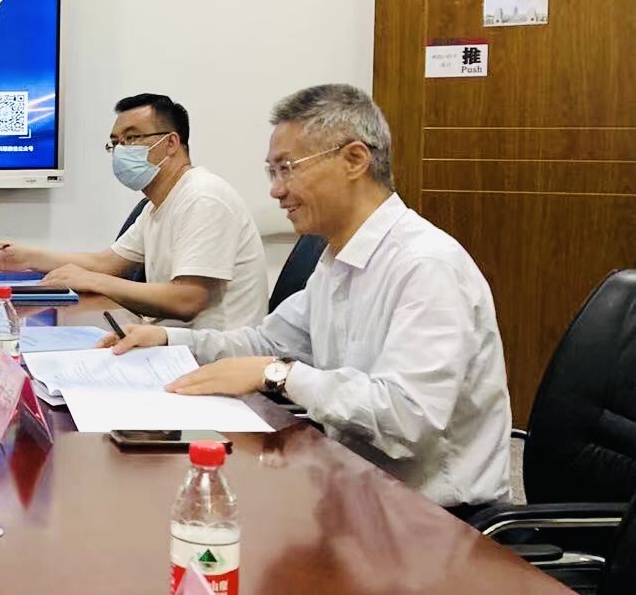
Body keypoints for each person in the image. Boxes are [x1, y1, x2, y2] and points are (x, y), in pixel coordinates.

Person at [103, 84, 511, 512]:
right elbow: (265, 343)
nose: (276, 191)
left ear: (354, 160)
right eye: (272, 172)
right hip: (354, 488)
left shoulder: (425, 265)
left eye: (287, 169)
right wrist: (168, 340)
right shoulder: (337, 260)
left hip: (435, 518)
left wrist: (279, 375)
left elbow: (408, 417)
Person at [0, 93, 268, 329]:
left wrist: (92, 280)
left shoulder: (203, 198)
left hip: (216, 360)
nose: (121, 150)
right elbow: (107, 263)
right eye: (116, 142)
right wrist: (27, 257)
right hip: (171, 344)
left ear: (171, 143)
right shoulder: (157, 205)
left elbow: (186, 300)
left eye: (131, 139)